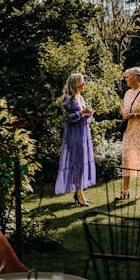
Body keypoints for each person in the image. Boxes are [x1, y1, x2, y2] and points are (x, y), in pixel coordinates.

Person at [54, 72, 96, 206]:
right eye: (81, 82)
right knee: (77, 164)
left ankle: (80, 192)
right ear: (75, 84)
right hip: (74, 135)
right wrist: (81, 112)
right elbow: (66, 118)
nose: (84, 84)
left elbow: (83, 116)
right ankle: (79, 194)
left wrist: (88, 113)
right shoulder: (67, 98)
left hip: (83, 134)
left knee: (82, 163)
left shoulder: (80, 97)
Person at [116, 66, 140, 200]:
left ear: (136, 77)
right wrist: (126, 115)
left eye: (128, 77)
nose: (126, 79)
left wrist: (135, 115)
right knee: (127, 157)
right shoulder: (128, 93)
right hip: (130, 131)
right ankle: (125, 191)